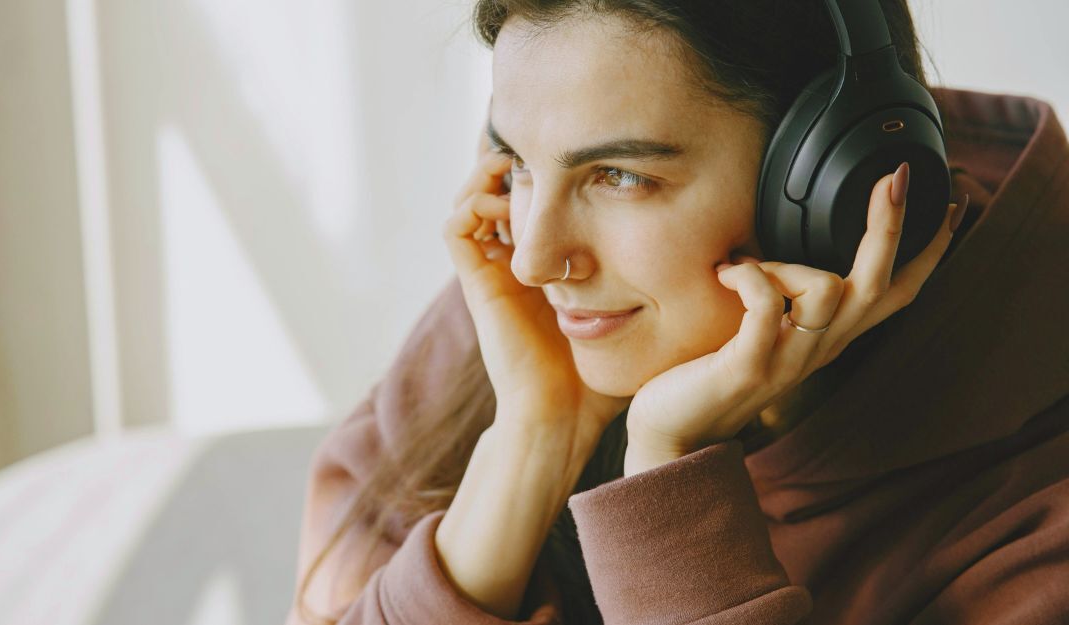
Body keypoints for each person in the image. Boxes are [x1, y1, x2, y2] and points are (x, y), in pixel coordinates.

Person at [286, 1, 1069, 624]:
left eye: (619, 176)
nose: (534, 257)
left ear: (831, 186)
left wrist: (668, 477)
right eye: (520, 161)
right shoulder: (536, 316)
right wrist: (533, 437)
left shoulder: (1036, 521)